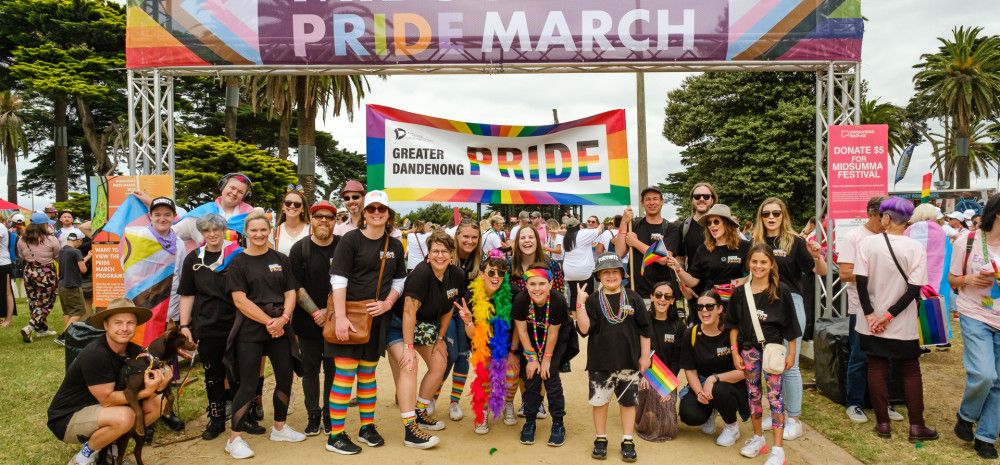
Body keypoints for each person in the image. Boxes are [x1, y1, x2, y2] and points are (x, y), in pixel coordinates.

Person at [326, 190, 406, 455]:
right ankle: (335, 435)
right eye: (371, 209)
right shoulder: (350, 240)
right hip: (349, 316)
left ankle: (366, 427)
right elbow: (338, 279)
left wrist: (388, 303)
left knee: (367, 374)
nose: (375, 213)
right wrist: (339, 318)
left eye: (380, 210)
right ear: (364, 213)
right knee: (345, 374)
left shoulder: (394, 245)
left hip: (377, 319)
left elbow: (399, 281)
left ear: (388, 214)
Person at [854, 197, 938, 442]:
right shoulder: (915, 248)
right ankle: (916, 426)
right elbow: (914, 289)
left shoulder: (868, 244)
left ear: (887, 218)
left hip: (869, 321)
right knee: (910, 370)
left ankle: (883, 424)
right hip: (902, 322)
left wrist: (872, 315)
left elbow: (860, 282)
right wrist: (889, 316)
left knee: (876, 366)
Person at [47, 298, 170, 465]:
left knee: (158, 404)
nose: (124, 328)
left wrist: (160, 385)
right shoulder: (96, 353)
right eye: (118, 323)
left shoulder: (134, 351)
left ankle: (112, 449)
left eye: (130, 323)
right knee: (126, 416)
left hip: (103, 410)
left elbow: (146, 382)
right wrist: (147, 392)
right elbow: (107, 399)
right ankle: (83, 457)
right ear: (106, 325)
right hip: (68, 417)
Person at [224, 208, 305, 459]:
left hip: (280, 326)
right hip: (251, 327)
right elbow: (239, 300)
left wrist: (283, 319)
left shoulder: (281, 258)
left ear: (269, 231)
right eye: (253, 230)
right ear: (245, 233)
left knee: (284, 376)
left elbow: (291, 291)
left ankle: (279, 427)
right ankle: (234, 439)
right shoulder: (238, 262)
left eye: (263, 230)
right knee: (248, 384)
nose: (259, 234)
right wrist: (269, 321)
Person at [751, 197, 827, 439]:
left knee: (789, 364)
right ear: (760, 217)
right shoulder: (756, 241)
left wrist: (817, 255)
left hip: (790, 304)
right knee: (769, 362)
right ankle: (777, 413)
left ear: (784, 215)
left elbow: (820, 272)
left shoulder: (796, 241)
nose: (771, 217)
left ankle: (794, 418)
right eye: (766, 214)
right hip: (762, 304)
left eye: (776, 213)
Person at [387, 229, 466, 449]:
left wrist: (441, 338)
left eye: (444, 251)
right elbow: (408, 312)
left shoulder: (456, 275)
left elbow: (449, 309)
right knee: (409, 366)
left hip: (424, 326)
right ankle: (409, 428)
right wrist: (409, 348)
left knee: (440, 362)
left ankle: (421, 412)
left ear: (452, 254)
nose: (440, 256)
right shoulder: (421, 274)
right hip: (397, 325)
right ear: (428, 254)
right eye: (435, 251)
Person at [726, 244, 800, 465]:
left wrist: (792, 354)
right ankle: (758, 438)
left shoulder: (781, 291)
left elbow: (792, 327)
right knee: (753, 395)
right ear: (748, 263)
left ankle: (778, 449)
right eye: (754, 261)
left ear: (771, 265)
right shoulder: (740, 292)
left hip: (774, 351)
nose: (758, 266)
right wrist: (734, 352)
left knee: (776, 398)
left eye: (763, 262)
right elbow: (733, 326)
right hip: (748, 350)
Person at [178, 213, 247, 441]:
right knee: (213, 375)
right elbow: (187, 294)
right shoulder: (193, 259)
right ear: (202, 233)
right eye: (207, 231)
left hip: (237, 324)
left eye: (216, 229)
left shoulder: (237, 256)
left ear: (223, 229)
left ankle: (242, 419)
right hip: (206, 326)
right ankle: (216, 419)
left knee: (238, 373)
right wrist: (185, 324)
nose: (212, 234)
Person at [575, 253, 651, 462]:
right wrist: (580, 304)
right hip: (600, 363)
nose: (610, 276)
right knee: (600, 402)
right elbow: (584, 329)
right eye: (605, 272)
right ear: (599, 276)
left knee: (628, 403)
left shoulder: (633, 297)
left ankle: (628, 439)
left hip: (629, 361)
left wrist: (645, 357)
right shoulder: (592, 300)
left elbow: (645, 330)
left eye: (614, 271)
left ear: (622, 274)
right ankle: (601, 438)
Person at [837, 196, 898, 424]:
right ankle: (854, 403)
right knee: (859, 356)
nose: (889, 220)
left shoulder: (893, 236)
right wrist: (874, 272)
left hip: (890, 309)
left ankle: (884, 403)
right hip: (860, 308)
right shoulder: (854, 237)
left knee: (887, 357)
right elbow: (844, 274)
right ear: (874, 214)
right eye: (886, 215)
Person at [949, 193, 1000, 459]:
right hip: (975, 313)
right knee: (984, 374)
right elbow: (953, 279)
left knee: (999, 381)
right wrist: (971, 278)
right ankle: (966, 415)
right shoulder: (967, 241)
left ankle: (986, 437)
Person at [288, 201, 340, 436]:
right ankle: (313, 415)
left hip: (336, 321)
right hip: (307, 322)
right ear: (311, 219)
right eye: (319, 217)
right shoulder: (300, 249)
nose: (324, 221)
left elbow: (348, 282)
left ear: (335, 222)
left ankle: (330, 414)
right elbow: (295, 286)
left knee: (333, 370)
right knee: (310, 370)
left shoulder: (342, 247)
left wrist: (329, 313)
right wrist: (315, 312)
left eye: (329, 218)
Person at [453, 250, 518, 434]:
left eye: (500, 272)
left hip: (507, 345)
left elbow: (519, 325)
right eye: (491, 272)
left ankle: (508, 404)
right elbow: (473, 336)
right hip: (482, 345)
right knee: (484, 375)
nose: (496, 276)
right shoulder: (471, 296)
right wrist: (468, 321)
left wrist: (512, 352)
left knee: (512, 373)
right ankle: (482, 412)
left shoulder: (513, 292)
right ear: (482, 273)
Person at [678, 291, 749, 447]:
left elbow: (745, 372)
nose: (704, 310)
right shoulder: (691, 333)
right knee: (689, 415)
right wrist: (699, 393)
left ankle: (732, 427)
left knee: (718, 389)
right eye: (700, 307)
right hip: (703, 384)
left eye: (710, 306)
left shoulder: (732, 334)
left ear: (719, 309)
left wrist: (714, 378)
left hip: (730, 385)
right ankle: (711, 410)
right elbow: (690, 370)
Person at [511, 264, 569, 447]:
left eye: (542, 283)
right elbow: (521, 330)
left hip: (556, 340)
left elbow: (553, 333)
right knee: (531, 377)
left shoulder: (558, 300)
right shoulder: (521, 300)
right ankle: (530, 420)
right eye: (532, 284)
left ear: (551, 284)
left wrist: (546, 359)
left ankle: (558, 423)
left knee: (550, 376)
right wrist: (531, 358)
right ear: (526, 286)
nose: (537, 289)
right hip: (530, 341)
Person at [433, 220, 482, 420]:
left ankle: (454, 402)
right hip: (446, 312)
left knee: (463, 355)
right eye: (466, 236)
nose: (469, 241)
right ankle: (432, 397)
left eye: (474, 237)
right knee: (449, 355)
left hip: (468, 314)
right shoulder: (446, 255)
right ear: (458, 236)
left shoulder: (479, 260)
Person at [669, 204, 750, 315]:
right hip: (712, 306)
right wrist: (678, 269)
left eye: (716, 221)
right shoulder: (703, 249)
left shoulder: (746, 247)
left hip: (739, 305)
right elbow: (693, 281)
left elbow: (755, 273)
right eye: (709, 223)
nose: (712, 225)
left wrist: (743, 281)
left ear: (727, 223)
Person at [635, 281, 686, 442]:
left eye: (667, 296)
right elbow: (636, 353)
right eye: (658, 295)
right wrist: (646, 375)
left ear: (672, 301)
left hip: (667, 377)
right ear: (651, 297)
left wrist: (666, 386)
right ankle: (642, 414)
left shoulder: (679, 326)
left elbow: (677, 361)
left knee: (668, 429)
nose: (662, 299)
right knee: (647, 391)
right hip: (643, 373)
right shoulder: (642, 322)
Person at [615, 186, 681, 303]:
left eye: (655, 199)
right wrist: (624, 222)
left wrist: (636, 243)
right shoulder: (634, 225)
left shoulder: (671, 228)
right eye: (647, 199)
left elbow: (663, 258)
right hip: (636, 292)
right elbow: (619, 252)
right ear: (642, 203)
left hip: (662, 294)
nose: (651, 203)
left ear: (662, 202)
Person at [170, 173, 255, 247]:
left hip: (239, 265)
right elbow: (169, 236)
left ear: (244, 196)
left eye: (240, 192)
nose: (234, 193)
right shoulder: (201, 214)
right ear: (223, 186)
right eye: (232, 188)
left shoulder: (251, 218)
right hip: (205, 264)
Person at [18, 212, 61, 343]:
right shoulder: (51, 239)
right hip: (46, 274)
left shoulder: (22, 240)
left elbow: (21, 256)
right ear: (44, 225)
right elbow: (57, 256)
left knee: (34, 301)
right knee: (46, 302)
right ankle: (30, 326)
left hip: (29, 272)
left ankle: (41, 329)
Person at [56, 228, 91, 344]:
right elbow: (83, 269)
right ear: (79, 240)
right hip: (73, 285)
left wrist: (88, 256)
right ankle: (63, 337)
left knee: (68, 312)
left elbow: (75, 263)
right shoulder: (76, 252)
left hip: (62, 285)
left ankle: (68, 336)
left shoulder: (63, 251)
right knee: (78, 312)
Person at [562, 217, 603, 312]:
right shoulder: (583, 233)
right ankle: (587, 317)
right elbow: (599, 230)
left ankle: (576, 320)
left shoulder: (566, 237)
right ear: (577, 226)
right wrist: (600, 225)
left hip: (569, 271)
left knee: (574, 296)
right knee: (587, 296)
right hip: (583, 271)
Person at [272, 187, 310, 256]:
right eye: (288, 203)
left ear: (303, 209)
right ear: (283, 207)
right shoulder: (273, 232)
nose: (292, 206)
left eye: (297, 204)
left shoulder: (312, 230)